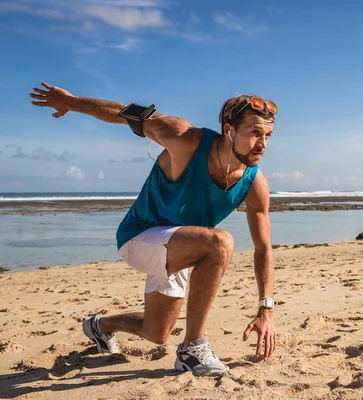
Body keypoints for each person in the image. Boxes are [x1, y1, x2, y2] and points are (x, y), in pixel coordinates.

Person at [30, 82, 278, 377]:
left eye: (267, 135)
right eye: (254, 133)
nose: (262, 144)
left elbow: (263, 248)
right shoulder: (184, 138)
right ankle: (193, 349)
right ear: (229, 130)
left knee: (156, 332)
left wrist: (266, 308)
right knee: (220, 243)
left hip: (181, 244)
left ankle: (100, 326)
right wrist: (72, 102)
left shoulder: (255, 183)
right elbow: (126, 114)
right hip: (139, 236)